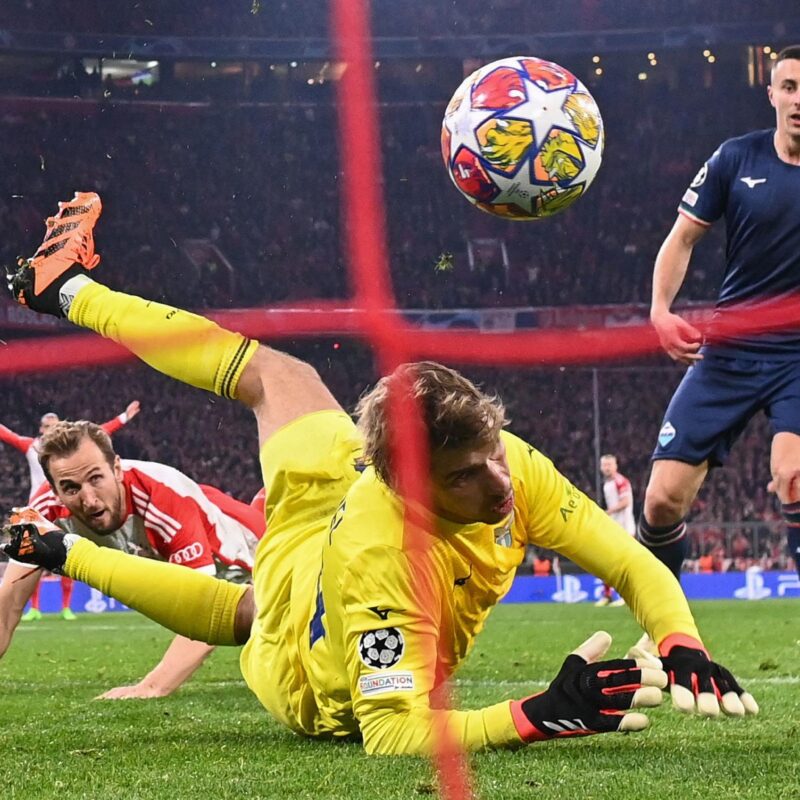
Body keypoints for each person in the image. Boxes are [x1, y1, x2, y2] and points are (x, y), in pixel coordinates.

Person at [3, 190, 757, 755]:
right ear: (410, 485)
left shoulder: (506, 463)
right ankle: (67, 551)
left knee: (273, 372)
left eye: (494, 455)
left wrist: (679, 641)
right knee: (253, 615)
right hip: (311, 667)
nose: (500, 486)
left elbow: (628, 560)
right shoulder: (380, 550)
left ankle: (63, 288)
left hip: (332, 493)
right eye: (468, 477)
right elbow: (392, 735)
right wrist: (533, 713)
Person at [639, 45, 800, 583]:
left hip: (797, 355)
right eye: (790, 87)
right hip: (730, 350)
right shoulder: (736, 158)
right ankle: (664, 627)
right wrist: (661, 310)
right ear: (772, 94)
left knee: (793, 475)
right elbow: (682, 238)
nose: (798, 100)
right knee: (661, 502)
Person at [0, 420, 264, 699]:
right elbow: (7, 609)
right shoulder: (41, 514)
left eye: (96, 478)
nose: (89, 500)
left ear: (116, 468)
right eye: (71, 488)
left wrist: (151, 687)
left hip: (258, 557)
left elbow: (208, 609)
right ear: (54, 491)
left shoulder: (163, 492)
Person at [0, 401, 140, 620]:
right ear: (41, 429)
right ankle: (34, 609)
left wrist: (123, 417)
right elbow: (7, 435)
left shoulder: (71, 450)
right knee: (31, 560)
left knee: (68, 556)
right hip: (37, 513)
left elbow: (99, 432)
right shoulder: (31, 446)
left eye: (54, 426)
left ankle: (66, 607)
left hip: (65, 509)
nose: (51, 430)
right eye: (47, 426)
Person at [595, 454, 635, 607]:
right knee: (606, 561)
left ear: (616, 466)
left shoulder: (620, 481)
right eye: (604, 465)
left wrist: (607, 512)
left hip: (625, 528)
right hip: (614, 527)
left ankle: (627, 596)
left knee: (624, 564)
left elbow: (626, 502)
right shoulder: (607, 484)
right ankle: (607, 595)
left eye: (609, 464)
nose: (606, 468)